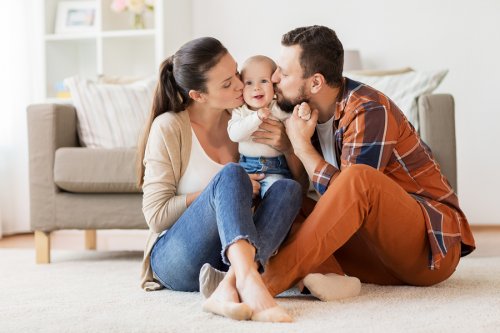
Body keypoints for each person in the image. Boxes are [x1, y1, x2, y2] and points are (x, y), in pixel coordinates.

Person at [254, 25, 476, 299]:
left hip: (428, 251)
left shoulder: (368, 108)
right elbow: (316, 198)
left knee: (359, 178)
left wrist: (301, 147)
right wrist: (291, 146)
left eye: (284, 73)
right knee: (283, 196)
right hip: (374, 258)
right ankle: (329, 276)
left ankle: (260, 284)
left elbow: (352, 197)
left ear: (315, 83)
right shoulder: (303, 115)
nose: (273, 78)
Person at [137, 37, 304, 322]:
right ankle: (250, 280)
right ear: (198, 95)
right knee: (232, 174)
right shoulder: (169, 127)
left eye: (236, 73)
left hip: (227, 259)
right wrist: (217, 193)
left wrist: (289, 148)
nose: (242, 85)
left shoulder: (246, 119)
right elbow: (156, 215)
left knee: (289, 188)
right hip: (178, 260)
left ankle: (229, 284)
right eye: (227, 84)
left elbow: (302, 185)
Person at [228, 55, 310, 197]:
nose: (256, 88)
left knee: (279, 192)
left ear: (274, 86)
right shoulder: (240, 112)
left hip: (276, 168)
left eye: (264, 81)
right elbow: (235, 135)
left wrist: (304, 112)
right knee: (237, 195)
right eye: (249, 83)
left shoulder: (278, 108)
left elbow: (296, 122)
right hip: (246, 168)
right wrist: (256, 117)